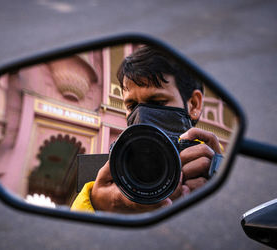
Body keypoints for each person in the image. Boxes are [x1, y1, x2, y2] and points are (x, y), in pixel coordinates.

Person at [71, 46, 221, 213]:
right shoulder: (105, 181)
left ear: (193, 104)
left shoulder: (213, 171)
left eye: (157, 102)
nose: (142, 116)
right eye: (132, 105)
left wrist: (220, 184)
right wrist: (98, 206)